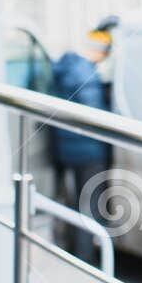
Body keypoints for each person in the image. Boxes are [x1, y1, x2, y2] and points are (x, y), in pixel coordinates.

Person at [49, 19, 115, 263]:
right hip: (89, 150)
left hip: (66, 147)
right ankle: (85, 257)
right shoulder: (87, 73)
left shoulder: (67, 66)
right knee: (91, 203)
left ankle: (70, 249)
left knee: (75, 201)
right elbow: (95, 112)